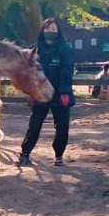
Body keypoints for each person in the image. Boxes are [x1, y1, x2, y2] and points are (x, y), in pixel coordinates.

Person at [18, 16, 75, 168]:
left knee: (62, 127)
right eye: (47, 29)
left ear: (58, 31)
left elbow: (67, 71)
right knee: (34, 124)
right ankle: (24, 154)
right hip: (39, 93)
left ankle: (58, 155)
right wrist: (31, 92)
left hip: (60, 93)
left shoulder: (65, 49)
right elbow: (27, 72)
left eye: (53, 29)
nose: (50, 31)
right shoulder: (34, 49)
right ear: (43, 30)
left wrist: (64, 92)